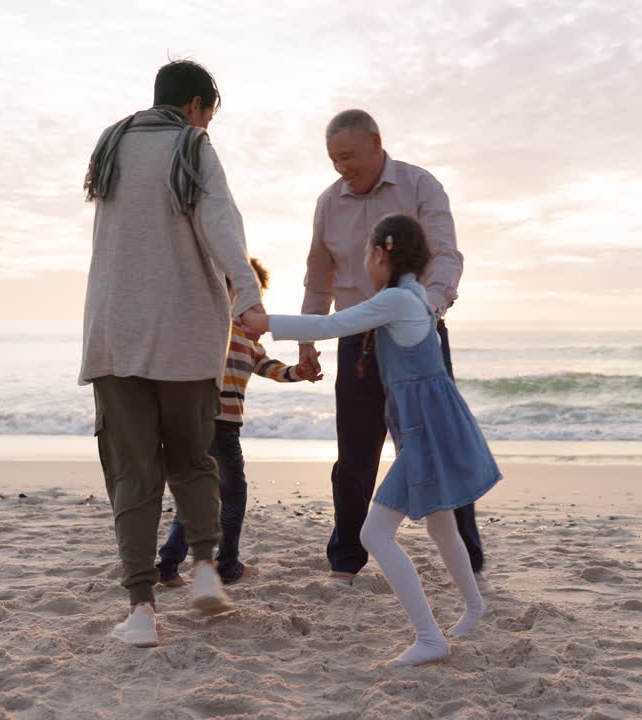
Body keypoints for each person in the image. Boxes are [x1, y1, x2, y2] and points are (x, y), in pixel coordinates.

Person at [242, 213, 500, 667]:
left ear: (382, 253)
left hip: (425, 431)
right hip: (431, 425)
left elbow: (331, 326)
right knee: (441, 522)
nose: (363, 261)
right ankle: (474, 606)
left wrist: (264, 322)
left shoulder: (398, 300)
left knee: (374, 534)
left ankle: (429, 637)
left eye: (366, 253)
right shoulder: (414, 295)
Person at [80, 59, 263, 648]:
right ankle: (206, 568)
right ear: (196, 107)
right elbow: (221, 221)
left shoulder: (111, 147)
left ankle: (140, 611)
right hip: (185, 332)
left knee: (132, 476)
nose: (208, 124)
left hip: (114, 334)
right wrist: (249, 295)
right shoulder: (192, 146)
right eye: (209, 114)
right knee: (193, 459)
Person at [298, 109, 485, 588]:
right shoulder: (328, 203)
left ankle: (468, 556)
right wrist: (307, 342)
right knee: (354, 454)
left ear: (376, 143)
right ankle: (345, 562)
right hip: (357, 340)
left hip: (417, 332)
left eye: (348, 156)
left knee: (434, 445)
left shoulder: (420, 186)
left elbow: (446, 253)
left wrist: (432, 304)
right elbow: (319, 278)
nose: (342, 167)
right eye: (334, 159)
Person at [156, 259, 322, 587]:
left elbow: (267, 366)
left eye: (255, 295)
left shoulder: (247, 337)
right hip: (208, 423)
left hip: (221, 425)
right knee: (233, 496)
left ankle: (167, 566)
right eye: (243, 291)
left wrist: (297, 372)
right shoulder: (211, 322)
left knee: (198, 496)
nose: (249, 301)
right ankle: (226, 564)